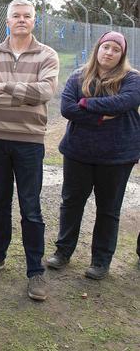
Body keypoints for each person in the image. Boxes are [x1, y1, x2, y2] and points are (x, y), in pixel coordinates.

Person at [0, 0, 59, 302]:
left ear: (34, 20)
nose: (21, 20)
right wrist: (23, 93)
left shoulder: (47, 55)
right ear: (6, 20)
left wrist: (3, 87)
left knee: (30, 207)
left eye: (27, 16)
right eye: (16, 16)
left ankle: (35, 269)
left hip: (30, 140)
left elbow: (45, 92)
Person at [46, 31, 140, 280]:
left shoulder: (132, 78)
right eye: (105, 47)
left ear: (122, 55)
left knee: (109, 209)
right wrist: (101, 116)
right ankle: (63, 252)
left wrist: (86, 104)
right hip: (79, 152)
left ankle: (101, 260)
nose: (109, 52)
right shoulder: (79, 76)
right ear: (97, 48)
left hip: (117, 156)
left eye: (115, 49)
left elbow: (126, 102)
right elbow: (67, 108)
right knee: (71, 203)